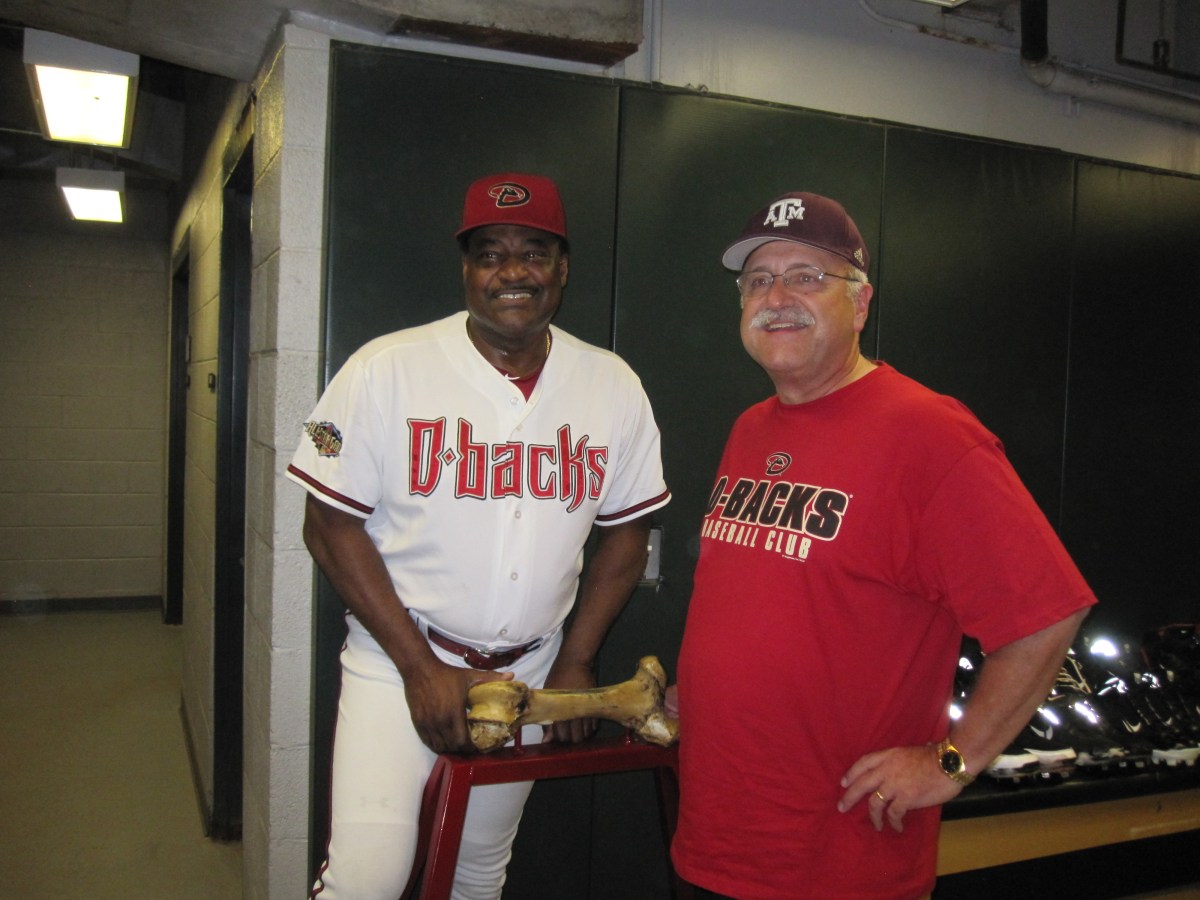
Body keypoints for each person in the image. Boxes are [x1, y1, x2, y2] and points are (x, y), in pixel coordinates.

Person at [669, 191, 1095, 899]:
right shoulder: (751, 427)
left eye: (806, 275)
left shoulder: (931, 435)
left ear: (860, 304)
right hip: (719, 837)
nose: (777, 296)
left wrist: (953, 761)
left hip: (837, 861)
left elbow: (1046, 614)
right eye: (757, 280)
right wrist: (711, 688)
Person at [287, 172, 671, 899]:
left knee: (476, 874)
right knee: (363, 883)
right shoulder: (385, 367)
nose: (513, 272)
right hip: (399, 659)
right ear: (466, 270)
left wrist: (578, 661)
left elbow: (628, 532)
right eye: (491, 253)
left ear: (563, 268)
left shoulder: (611, 383)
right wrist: (416, 668)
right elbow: (328, 523)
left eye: (534, 251)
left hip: (532, 670)